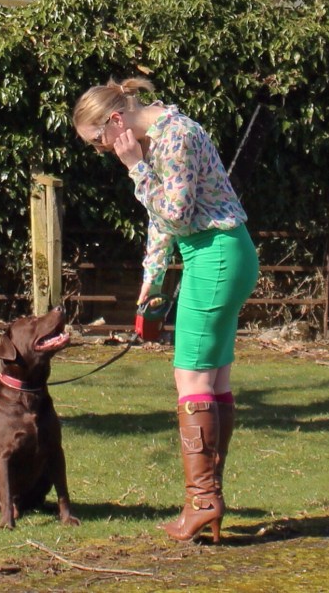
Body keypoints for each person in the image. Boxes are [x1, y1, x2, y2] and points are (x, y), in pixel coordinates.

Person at [73, 76, 259, 544]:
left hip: (215, 255)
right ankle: (207, 500)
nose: (101, 150)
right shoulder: (162, 136)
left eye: (97, 140)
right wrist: (151, 280)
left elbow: (174, 213)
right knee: (214, 379)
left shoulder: (174, 138)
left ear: (116, 120)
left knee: (191, 377)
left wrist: (135, 167)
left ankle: (203, 502)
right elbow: (162, 221)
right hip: (219, 253)